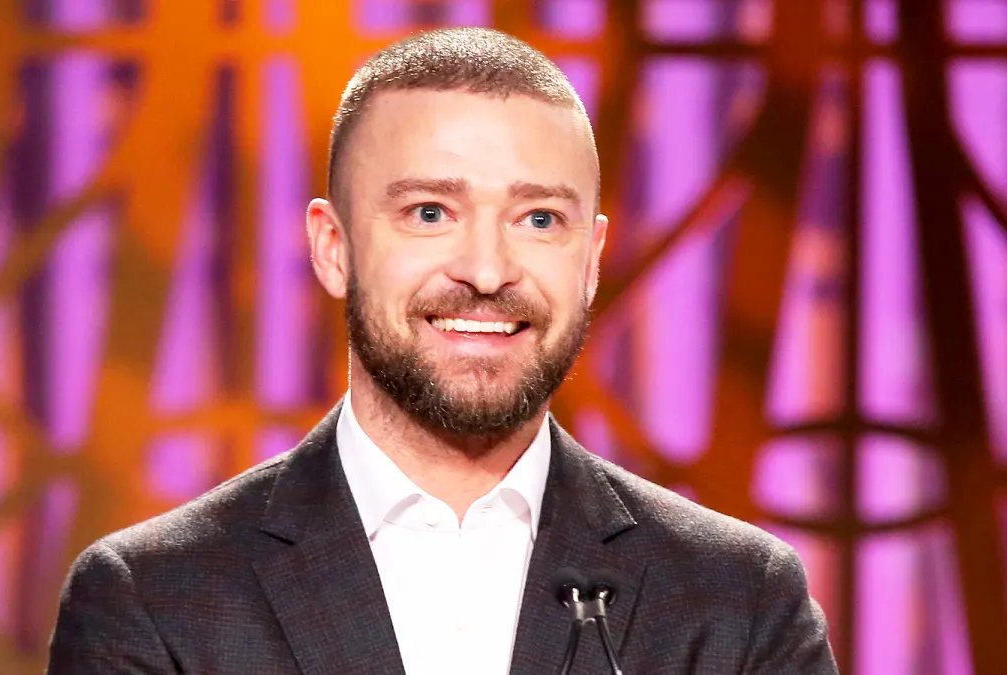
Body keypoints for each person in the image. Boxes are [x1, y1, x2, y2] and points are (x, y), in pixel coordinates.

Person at [46, 27, 837, 675]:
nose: (487, 271)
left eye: (538, 220)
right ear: (333, 247)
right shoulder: (156, 601)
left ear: (592, 260)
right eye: (430, 212)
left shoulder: (739, 603)